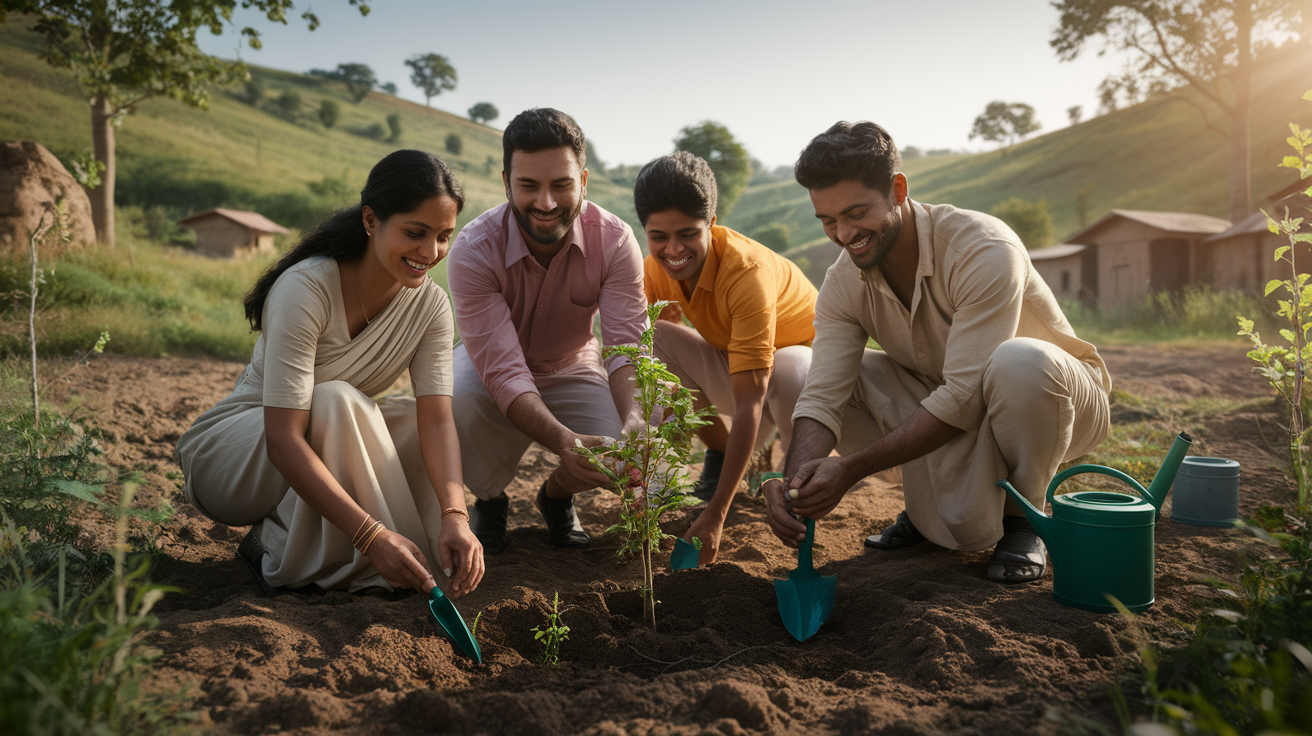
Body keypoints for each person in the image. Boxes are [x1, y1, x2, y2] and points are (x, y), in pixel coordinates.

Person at [763, 122, 1111, 583]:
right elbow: (823, 394)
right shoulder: (843, 281)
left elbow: (966, 396)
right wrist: (794, 483)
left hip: (1053, 399)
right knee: (819, 376)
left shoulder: (982, 247)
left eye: (856, 213)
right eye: (828, 221)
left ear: (898, 190)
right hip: (950, 396)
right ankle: (927, 512)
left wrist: (849, 470)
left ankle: (1025, 518)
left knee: (1020, 361)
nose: (844, 234)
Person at [176, 150, 484, 598]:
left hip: (312, 443)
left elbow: (436, 421)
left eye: (443, 236)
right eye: (415, 233)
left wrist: (456, 515)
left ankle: (393, 553)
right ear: (371, 220)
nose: (430, 252)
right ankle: (277, 546)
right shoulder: (307, 287)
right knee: (336, 399)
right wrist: (371, 535)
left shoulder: (432, 306)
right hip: (238, 458)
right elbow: (283, 439)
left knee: (405, 423)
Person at [448, 108, 646, 555]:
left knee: (623, 453)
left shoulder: (614, 240)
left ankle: (555, 495)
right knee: (460, 395)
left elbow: (626, 347)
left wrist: (637, 419)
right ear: (505, 183)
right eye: (528, 186)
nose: (546, 203)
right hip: (487, 365)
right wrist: (563, 440)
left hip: (572, 362)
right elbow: (502, 371)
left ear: (584, 180)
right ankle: (490, 498)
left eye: (561, 185)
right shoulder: (474, 250)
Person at [634, 152, 817, 566]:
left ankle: (794, 483)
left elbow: (752, 399)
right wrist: (649, 479)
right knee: (652, 338)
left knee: (791, 368)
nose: (673, 249)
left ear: (711, 222)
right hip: (738, 364)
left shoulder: (745, 271)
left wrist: (716, 513)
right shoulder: (653, 269)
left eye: (688, 234)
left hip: (802, 386)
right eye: (659, 236)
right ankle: (723, 453)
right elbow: (652, 376)